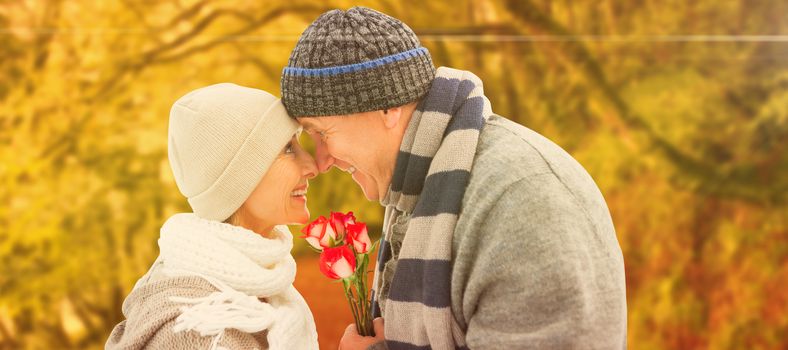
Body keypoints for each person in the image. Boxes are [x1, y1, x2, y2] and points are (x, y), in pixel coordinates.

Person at [280, 7, 627, 350]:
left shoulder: (522, 201)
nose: (322, 161)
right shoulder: (426, 183)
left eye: (323, 133)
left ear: (387, 108)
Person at [106, 83, 320, 350]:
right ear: (240, 178)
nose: (313, 165)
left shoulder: (257, 289)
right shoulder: (197, 330)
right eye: (288, 148)